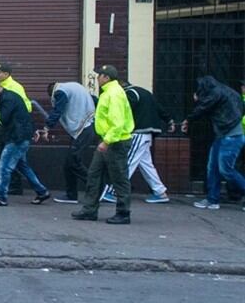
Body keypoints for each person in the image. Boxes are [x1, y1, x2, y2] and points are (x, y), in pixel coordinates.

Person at [72, 65, 135, 224]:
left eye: (99, 75)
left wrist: (106, 141)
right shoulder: (109, 92)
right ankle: (89, 210)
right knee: (94, 175)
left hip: (115, 142)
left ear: (106, 77)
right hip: (108, 141)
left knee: (119, 177)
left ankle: (123, 213)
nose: (97, 78)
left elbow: (117, 122)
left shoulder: (114, 94)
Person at [100, 82, 174, 204]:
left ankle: (114, 192)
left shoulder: (129, 94)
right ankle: (160, 192)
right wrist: (169, 120)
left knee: (127, 162)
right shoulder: (145, 93)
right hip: (147, 133)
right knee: (146, 165)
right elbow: (159, 108)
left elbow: (122, 112)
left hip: (138, 132)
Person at [181, 76, 245, 211]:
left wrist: (191, 114)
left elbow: (203, 107)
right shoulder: (227, 91)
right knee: (215, 168)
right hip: (229, 134)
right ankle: (212, 199)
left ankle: (212, 199)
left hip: (229, 136)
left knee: (224, 169)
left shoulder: (215, 93)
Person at [0, 84, 50, 206]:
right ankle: (42, 192)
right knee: (23, 166)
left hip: (16, 138)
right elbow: (24, 114)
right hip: (22, 137)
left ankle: (1, 198)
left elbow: (3, 119)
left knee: (4, 167)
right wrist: (33, 129)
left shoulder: (5, 100)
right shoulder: (14, 97)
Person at [40, 81, 96, 204]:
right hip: (85, 128)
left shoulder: (60, 92)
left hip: (83, 129)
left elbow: (58, 110)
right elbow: (94, 100)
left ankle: (96, 188)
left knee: (73, 162)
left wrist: (47, 127)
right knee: (69, 164)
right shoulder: (73, 87)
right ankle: (71, 195)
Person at [0, 62, 32, 195]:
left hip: (12, 125)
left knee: (7, 154)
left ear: (6, 74)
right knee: (1, 153)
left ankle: (13, 185)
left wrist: (16, 121)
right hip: (4, 124)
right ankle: (7, 184)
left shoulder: (14, 87)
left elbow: (26, 106)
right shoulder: (0, 87)